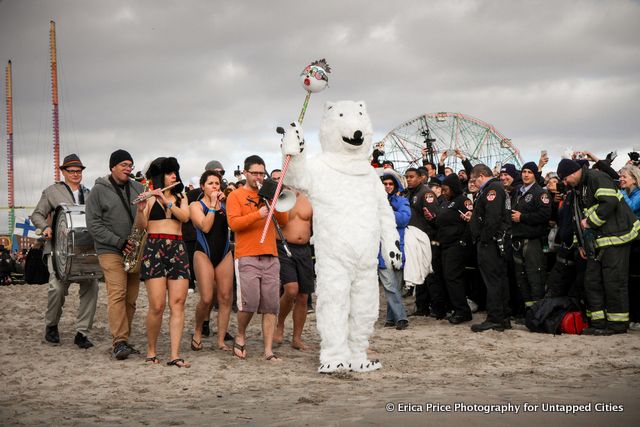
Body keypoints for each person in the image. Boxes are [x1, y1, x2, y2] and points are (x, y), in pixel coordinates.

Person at [557, 159, 640, 335]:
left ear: (572, 173)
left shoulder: (597, 177)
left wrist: (591, 222)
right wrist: (581, 244)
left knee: (614, 282)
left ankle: (617, 325)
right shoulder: (578, 188)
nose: (564, 183)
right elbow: (577, 218)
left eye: (564, 179)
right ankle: (598, 322)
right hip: (597, 242)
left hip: (617, 237)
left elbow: (608, 203)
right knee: (592, 281)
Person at [31, 154, 99, 348]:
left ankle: (82, 333)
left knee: (92, 287)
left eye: (79, 171)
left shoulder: (91, 193)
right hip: (58, 249)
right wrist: (45, 227)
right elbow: (37, 214)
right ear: (63, 172)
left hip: (85, 249)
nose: (76, 174)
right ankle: (51, 326)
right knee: (57, 288)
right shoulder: (52, 191)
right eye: (72, 171)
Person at [226, 155, 288, 362]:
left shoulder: (268, 193)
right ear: (245, 173)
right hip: (247, 254)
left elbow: (284, 220)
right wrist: (258, 214)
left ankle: (268, 350)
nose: (259, 177)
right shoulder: (235, 196)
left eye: (262, 173)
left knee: (271, 305)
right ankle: (241, 334)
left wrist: (274, 199)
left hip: (271, 254)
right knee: (249, 302)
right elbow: (234, 224)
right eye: (255, 173)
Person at [86, 149, 145, 360]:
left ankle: (124, 340)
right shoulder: (98, 191)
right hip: (110, 250)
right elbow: (93, 225)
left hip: (134, 250)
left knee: (131, 299)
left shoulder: (138, 188)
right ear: (112, 167)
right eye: (124, 165)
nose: (128, 169)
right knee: (118, 293)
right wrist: (118, 242)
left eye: (130, 165)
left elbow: (144, 219)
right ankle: (119, 341)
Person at [139, 157, 191, 367]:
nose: (174, 176)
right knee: (157, 305)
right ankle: (151, 350)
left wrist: (167, 201)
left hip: (177, 247)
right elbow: (141, 225)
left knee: (178, 303)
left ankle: (175, 355)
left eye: (175, 173)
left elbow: (185, 217)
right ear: (161, 176)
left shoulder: (181, 196)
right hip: (154, 247)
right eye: (170, 173)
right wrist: (140, 207)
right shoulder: (150, 198)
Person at [462, 164, 511, 332]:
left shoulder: (493, 189)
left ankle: (496, 318)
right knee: (498, 280)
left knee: (493, 281)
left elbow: (493, 218)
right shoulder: (493, 189)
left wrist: (483, 239)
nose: (473, 184)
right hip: (492, 242)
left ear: (482, 175)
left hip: (491, 243)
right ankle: (502, 316)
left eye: (474, 180)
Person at [190, 170, 233, 352]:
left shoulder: (225, 204)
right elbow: (206, 227)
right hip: (203, 253)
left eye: (217, 183)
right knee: (207, 298)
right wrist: (214, 205)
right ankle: (198, 331)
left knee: (225, 297)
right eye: (210, 183)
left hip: (224, 253)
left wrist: (229, 201)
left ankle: (221, 340)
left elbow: (235, 223)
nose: (215, 186)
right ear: (202, 186)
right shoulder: (195, 205)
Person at [273, 185, 315, 349]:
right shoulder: (280, 194)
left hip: (304, 249)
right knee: (291, 289)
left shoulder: (309, 197)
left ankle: (297, 338)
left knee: (304, 296)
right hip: (283, 246)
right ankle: (280, 323)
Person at [510, 162, 551, 310]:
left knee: (535, 277)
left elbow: (545, 215)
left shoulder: (540, 193)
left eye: (529, 172)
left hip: (532, 241)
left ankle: (538, 312)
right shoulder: (517, 192)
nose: (526, 175)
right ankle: (528, 312)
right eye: (524, 171)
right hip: (517, 240)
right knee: (521, 278)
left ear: (535, 174)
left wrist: (523, 217)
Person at [436, 173, 472, 324]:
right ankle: (454, 307)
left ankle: (462, 311)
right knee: (447, 277)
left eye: (446, 189)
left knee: (453, 277)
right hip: (445, 244)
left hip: (457, 245)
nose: (444, 192)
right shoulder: (446, 202)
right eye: (442, 190)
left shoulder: (462, 201)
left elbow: (469, 222)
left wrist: (463, 241)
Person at [378, 170, 410, 330]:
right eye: (385, 184)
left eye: (391, 184)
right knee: (390, 286)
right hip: (380, 250)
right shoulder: (373, 202)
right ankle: (401, 318)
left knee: (395, 287)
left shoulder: (401, 200)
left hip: (398, 248)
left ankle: (391, 318)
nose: (388, 186)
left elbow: (404, 219)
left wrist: (386, 211)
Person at [619, 165, 640, 330]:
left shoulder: (637, 194)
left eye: (624, 176)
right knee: (630, 281)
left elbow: (631, 208)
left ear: (634, 178)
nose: (621, 179)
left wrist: (621, 195)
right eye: (620, 176)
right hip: (630, 242)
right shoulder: (627, 193)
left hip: (639, 243)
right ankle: (632, 316)